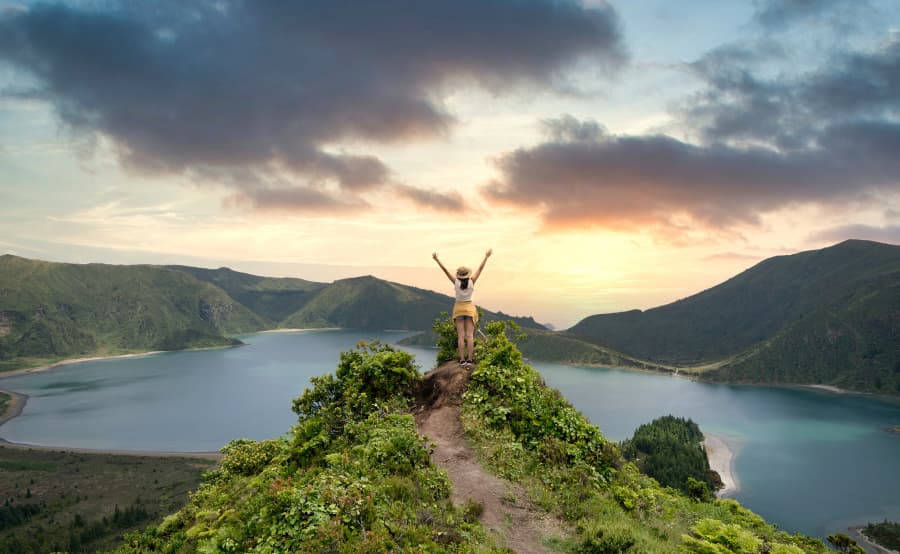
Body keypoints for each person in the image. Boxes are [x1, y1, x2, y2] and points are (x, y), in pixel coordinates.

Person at [432, 249, 492, 368]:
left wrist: (437, 260)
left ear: (459, 275)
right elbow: (480, 269)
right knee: (470, 336)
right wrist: (486, 257)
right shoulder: (472, 281)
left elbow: (445, 271)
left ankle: (462, 360)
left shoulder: (455, 282)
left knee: (461, 336)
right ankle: (470, 360)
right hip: (469, 309)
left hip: (458, 309)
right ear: (468, 275)